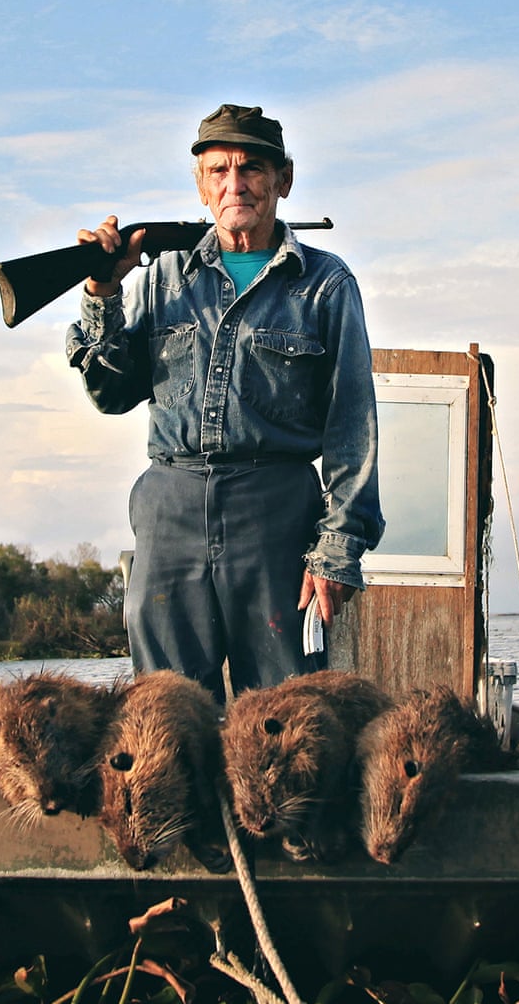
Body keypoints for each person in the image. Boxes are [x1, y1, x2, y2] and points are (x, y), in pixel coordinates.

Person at [65, 103, 383, 701]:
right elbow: (109, 394)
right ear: (200, 184)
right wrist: (102, 287)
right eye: (219, 171)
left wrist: (336, 551)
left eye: (252, 169)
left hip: (277, 513)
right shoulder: (162, 276)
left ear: (282, 180)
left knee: (284, 718)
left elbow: (352, 428)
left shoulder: (325, 283)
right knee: (167, 711)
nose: (234, 185)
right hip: (170, 507)